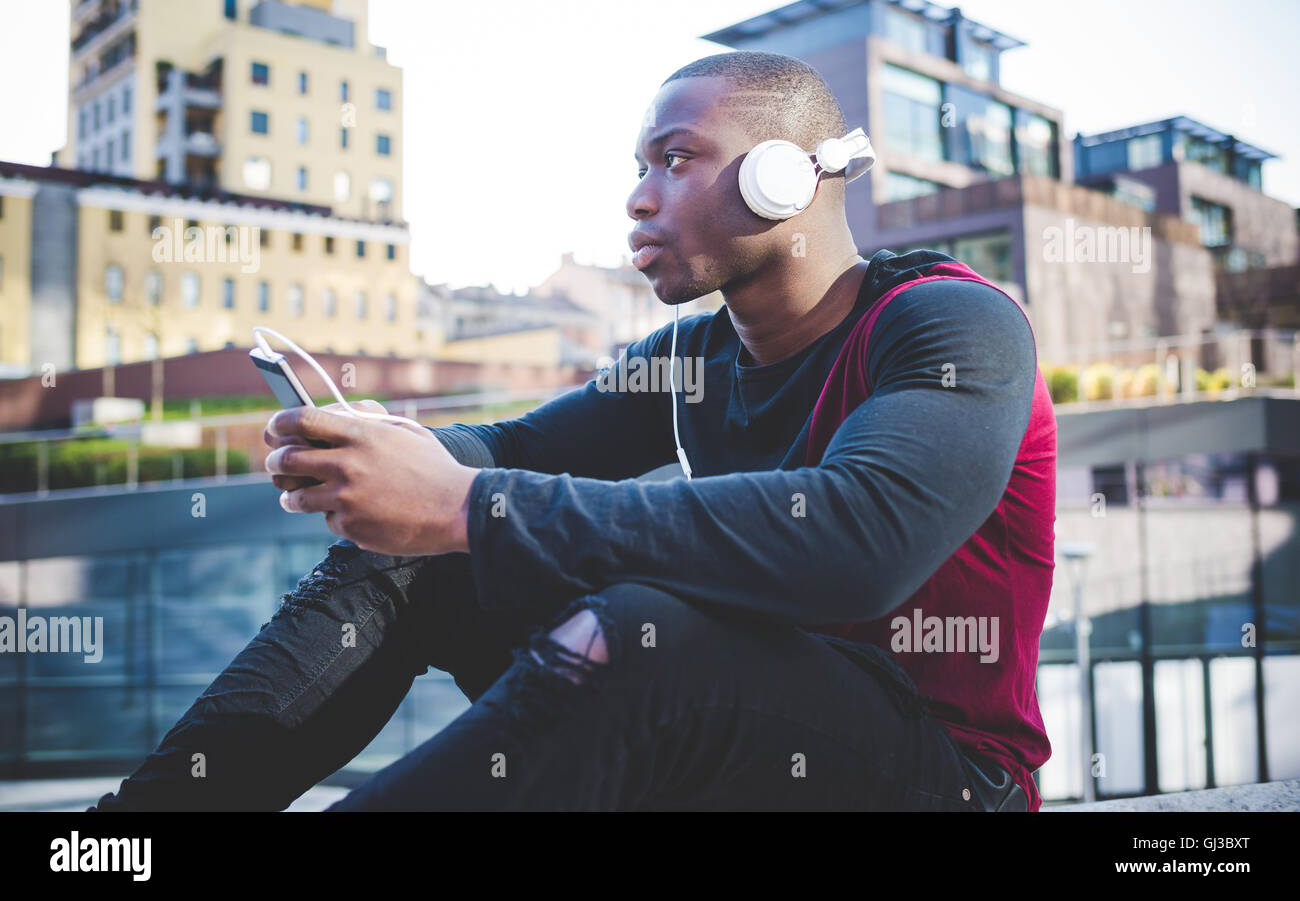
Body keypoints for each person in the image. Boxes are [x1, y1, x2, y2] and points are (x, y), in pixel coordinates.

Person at [91, 50, 1055, 812]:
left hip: (945, 777)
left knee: (643, 630)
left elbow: (861, 542)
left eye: (675, 159)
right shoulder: (690, 353)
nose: (638, 196)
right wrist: (396, 454)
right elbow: (515, 449)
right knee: (419, 557)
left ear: (781, 178)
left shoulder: (952, 323)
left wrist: (464, 499)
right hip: (733, 737)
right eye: (638, 167)